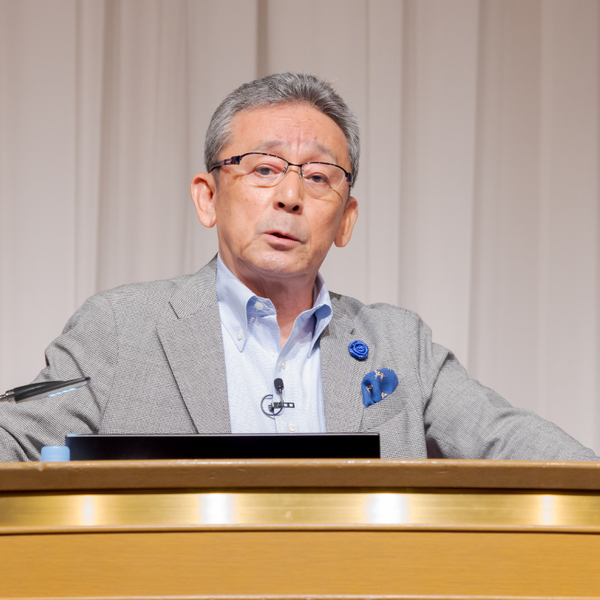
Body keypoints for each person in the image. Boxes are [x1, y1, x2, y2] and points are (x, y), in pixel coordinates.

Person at [0, 73, 597, 462]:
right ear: (208, 198)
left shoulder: (399, 345)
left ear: (346, 220)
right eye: (263, 169)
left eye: (318, 177)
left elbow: (511, 442)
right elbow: (15, 443)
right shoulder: (119, 329)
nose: (290, 196)